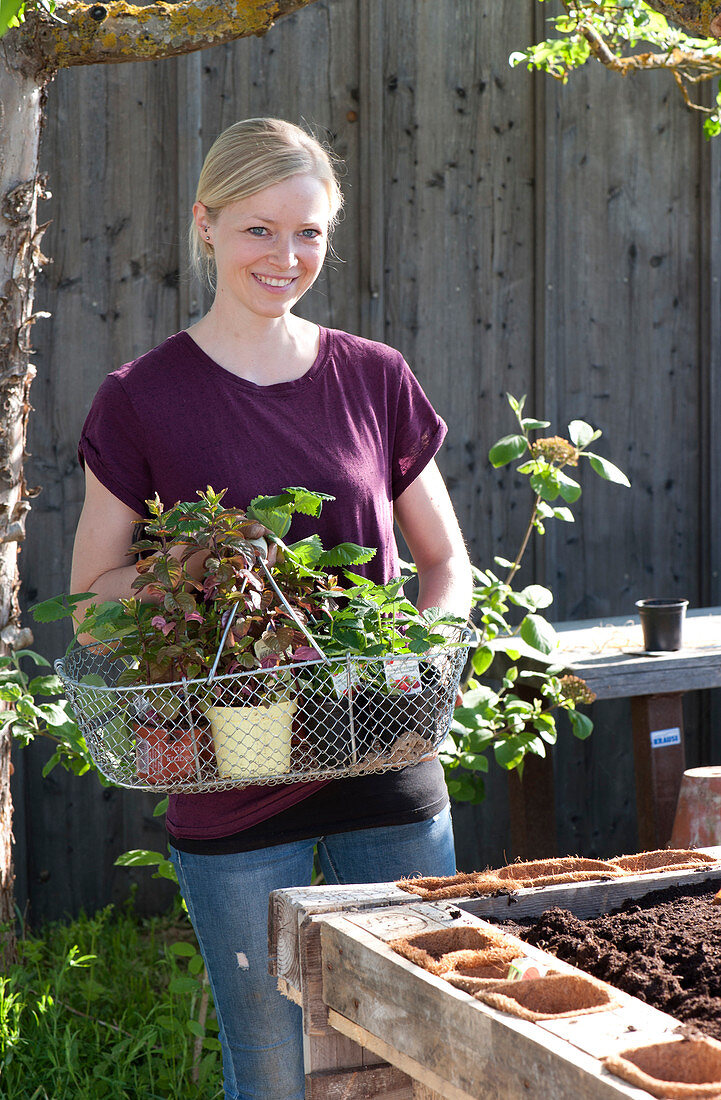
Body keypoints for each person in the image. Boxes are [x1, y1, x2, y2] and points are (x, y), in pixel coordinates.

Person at [70, 117, 472, 1099]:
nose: (286, 257)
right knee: (274, 1073)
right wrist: (214, 578)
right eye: (259, 229)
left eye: (308, 233)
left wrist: (421, 651)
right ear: (203, 225)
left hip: (384, 755)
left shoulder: (373, 376)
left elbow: (445, 560)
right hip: (231, 771)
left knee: (426, 1056)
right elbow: (92, 602)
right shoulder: (142, 398)